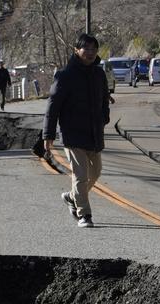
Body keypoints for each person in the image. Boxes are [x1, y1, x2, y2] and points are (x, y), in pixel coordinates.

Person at [43, 33, 110, 228]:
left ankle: (72, 197)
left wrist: (104, 117)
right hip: (72, 134)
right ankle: (84, 215)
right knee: (80, 176)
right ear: (76, 50)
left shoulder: (99, 74)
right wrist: (48, 135)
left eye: (93, 49)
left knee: (95, 173)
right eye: (86, 48)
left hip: (94, 133)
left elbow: (104, 99)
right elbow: (53, 106)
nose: (90, 52)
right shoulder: (65, 76)